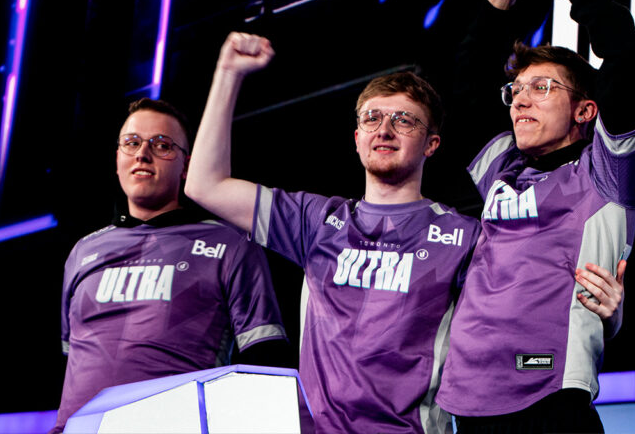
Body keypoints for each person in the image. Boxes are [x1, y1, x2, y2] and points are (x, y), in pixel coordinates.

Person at [184, 32, 483, 433]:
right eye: (372, 118)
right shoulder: (316, 220)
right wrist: (227, 73)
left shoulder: (463, 235)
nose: (385, 129)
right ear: (357, 138)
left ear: (431, 144)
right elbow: (204, 184)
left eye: (404, 120)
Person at [432, 0, 635, 433]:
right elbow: (467, 87)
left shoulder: (607, 172)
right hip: (468, 399)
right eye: (517, 91)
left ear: (585, 110)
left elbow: (627, 63)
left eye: (543, 88)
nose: (521, 101)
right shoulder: (502, 167)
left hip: (550, 394)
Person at [53, 98, 288, 433]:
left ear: (186, 166)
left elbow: (265, 362)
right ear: (117, 158)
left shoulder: (230, 244)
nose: (142, 154)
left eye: (162, 145)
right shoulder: (82, 251)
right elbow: (73, 360)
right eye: (131, 142)